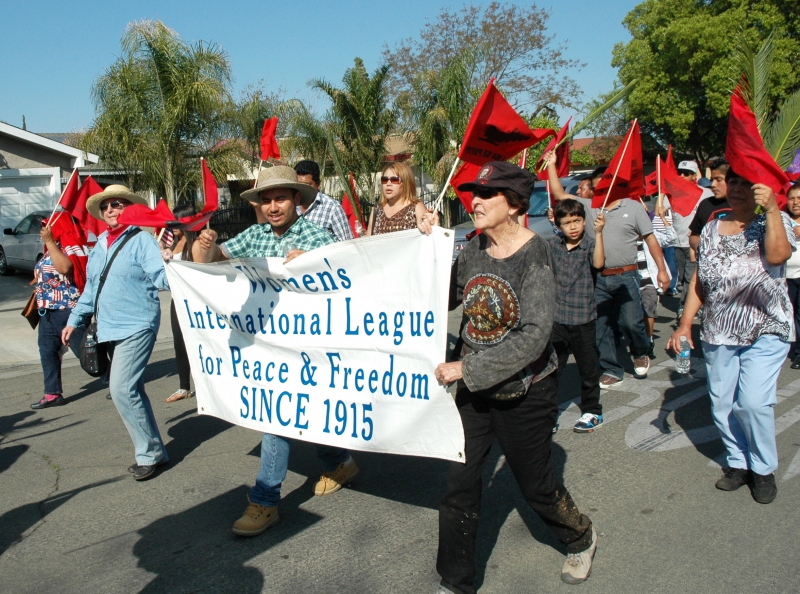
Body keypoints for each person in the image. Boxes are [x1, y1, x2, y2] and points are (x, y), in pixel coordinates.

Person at [424, 162, 597, 593]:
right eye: (473, 194)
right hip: (474, 393)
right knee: (459, 486)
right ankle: (455, 582)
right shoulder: (473, 249)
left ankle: (582, 537)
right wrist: (426, 246)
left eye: (487, 195)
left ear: (515, 204)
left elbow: (535, 336)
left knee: (535, 487)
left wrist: (468, 367)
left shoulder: (536, 254)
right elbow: (441, 298)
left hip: (526, 392)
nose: (475, 201)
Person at [192, 165, 359, 536]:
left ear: (296, 199)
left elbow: (350, 285)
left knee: (285, 414)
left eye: (280, 198)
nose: (272, 206)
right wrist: (201, 248)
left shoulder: (319, 237)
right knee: (290, 412)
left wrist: (314, 265)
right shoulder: (255, 235)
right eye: (265, 200)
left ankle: (265, 499)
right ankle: (338, 462)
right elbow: (216, 261)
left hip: (312, 348)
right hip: (272, 349)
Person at [668, 170, 795, 505]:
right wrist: (684, 324)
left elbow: (779, 256)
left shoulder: (777, 219)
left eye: (745, 183)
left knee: (752, 402)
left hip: (767, 328)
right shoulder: (711, 227)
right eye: (732, 182)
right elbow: (701, 278)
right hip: (719, 330)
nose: (737, 189)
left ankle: (763, 469)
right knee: (723, 402)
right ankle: (738, 463)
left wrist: (769, 211)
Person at [62, 185, 170, 481]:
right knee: (132, 389)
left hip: (137, 324)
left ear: (130, 209)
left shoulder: (143, 241)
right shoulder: (99, 246)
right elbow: (91, 290)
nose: (111, 209)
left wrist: (173, 264)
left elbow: (162, 277)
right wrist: (74, 319)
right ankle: (155, 449)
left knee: (121, 388)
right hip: (107, 327)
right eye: (107, 206)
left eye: (118, 204)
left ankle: (148, 454)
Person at [544, 150, 669, 387]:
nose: (600, 189)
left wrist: (661, 270)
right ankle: (612, 368)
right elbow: (559, 193)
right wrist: (551, 164)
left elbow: (651, 239)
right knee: (601, 325)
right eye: (595, 186)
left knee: (630, 322)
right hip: (599, 277)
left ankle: (641, 350)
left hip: (627, 274)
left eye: (604, 183)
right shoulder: (589, 207)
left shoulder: (633, 208)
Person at [546, 199, 606, 433]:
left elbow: (599, 264)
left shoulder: (590, 245)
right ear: (558, 225)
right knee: (551, 371)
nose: (573, 227)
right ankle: (548, 415)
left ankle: (593, 411)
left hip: (583, 319)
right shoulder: (553, 245)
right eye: (567, 223)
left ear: (584, 221)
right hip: (557, 318)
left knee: (588, 370)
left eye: (577, 221)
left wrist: (599, 233)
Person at [30, 214, 88, 409]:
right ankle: (52, 393)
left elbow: (64, 268)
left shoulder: (67, 247)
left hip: (67, 311)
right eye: (43, 227)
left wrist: (49, 241)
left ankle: (112, 378)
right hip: (46, 312)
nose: (43, 230)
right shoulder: (49, 250)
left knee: (86, 353)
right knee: (47, 352)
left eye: (47, 226)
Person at [162, 205, 197, 402]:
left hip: (193, 301)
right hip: (177, 300)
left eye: (177, 221)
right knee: (179, 343)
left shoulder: (196, 244)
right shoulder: (174, 243)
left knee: (198, 343)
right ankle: (184, 386)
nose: (172, 225)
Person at [293, 160, 354, 242]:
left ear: (318, 184)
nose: (303, 189)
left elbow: (347, 243)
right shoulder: (290, 206)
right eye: (299, 185)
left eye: (307, 185)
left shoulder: (332, 208)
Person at [367, 161, 428, 235]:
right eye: (385, 180)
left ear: (406, 183)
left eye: (394, 180)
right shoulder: (376, 210)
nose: (388, 184)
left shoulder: (416, 208)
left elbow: (427, 238)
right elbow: (368, 241)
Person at [784, 182, 800, 368]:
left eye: (799, 199)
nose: (795, 203)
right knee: (787, 314)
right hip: (784, 275)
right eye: (792, 199)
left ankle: (798, 353)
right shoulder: (781, 220)